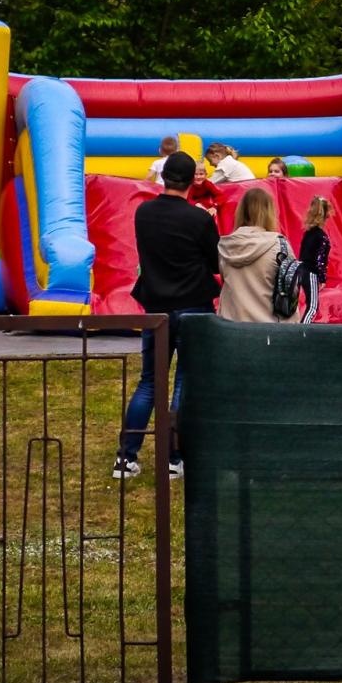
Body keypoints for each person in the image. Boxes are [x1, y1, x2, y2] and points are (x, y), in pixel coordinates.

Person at [114, 151, 219, 481]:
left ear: (164, 177)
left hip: (155, 306)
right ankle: (175, 458)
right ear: (191, 182)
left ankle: (126, 457)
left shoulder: (143, 213)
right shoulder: (199, 220)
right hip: (192, 306)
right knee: (183, 382)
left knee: (149, 382)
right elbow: (217, 264)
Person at [218, 187, 286, 322]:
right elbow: (291, 287)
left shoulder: (226, 245)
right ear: (270, 212)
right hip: (268, 326)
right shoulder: (279, 244)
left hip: (231, 325)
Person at [297, 195, 333, 322]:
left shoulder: (308, 233)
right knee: (313, 306)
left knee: (308, 303)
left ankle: (302, 328)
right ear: (327, 214)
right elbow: (320, 260)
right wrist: (322, 278)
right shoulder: (322, 237)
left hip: (301, 270)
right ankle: (302, 331)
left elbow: (302, 254)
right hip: (310, 272)